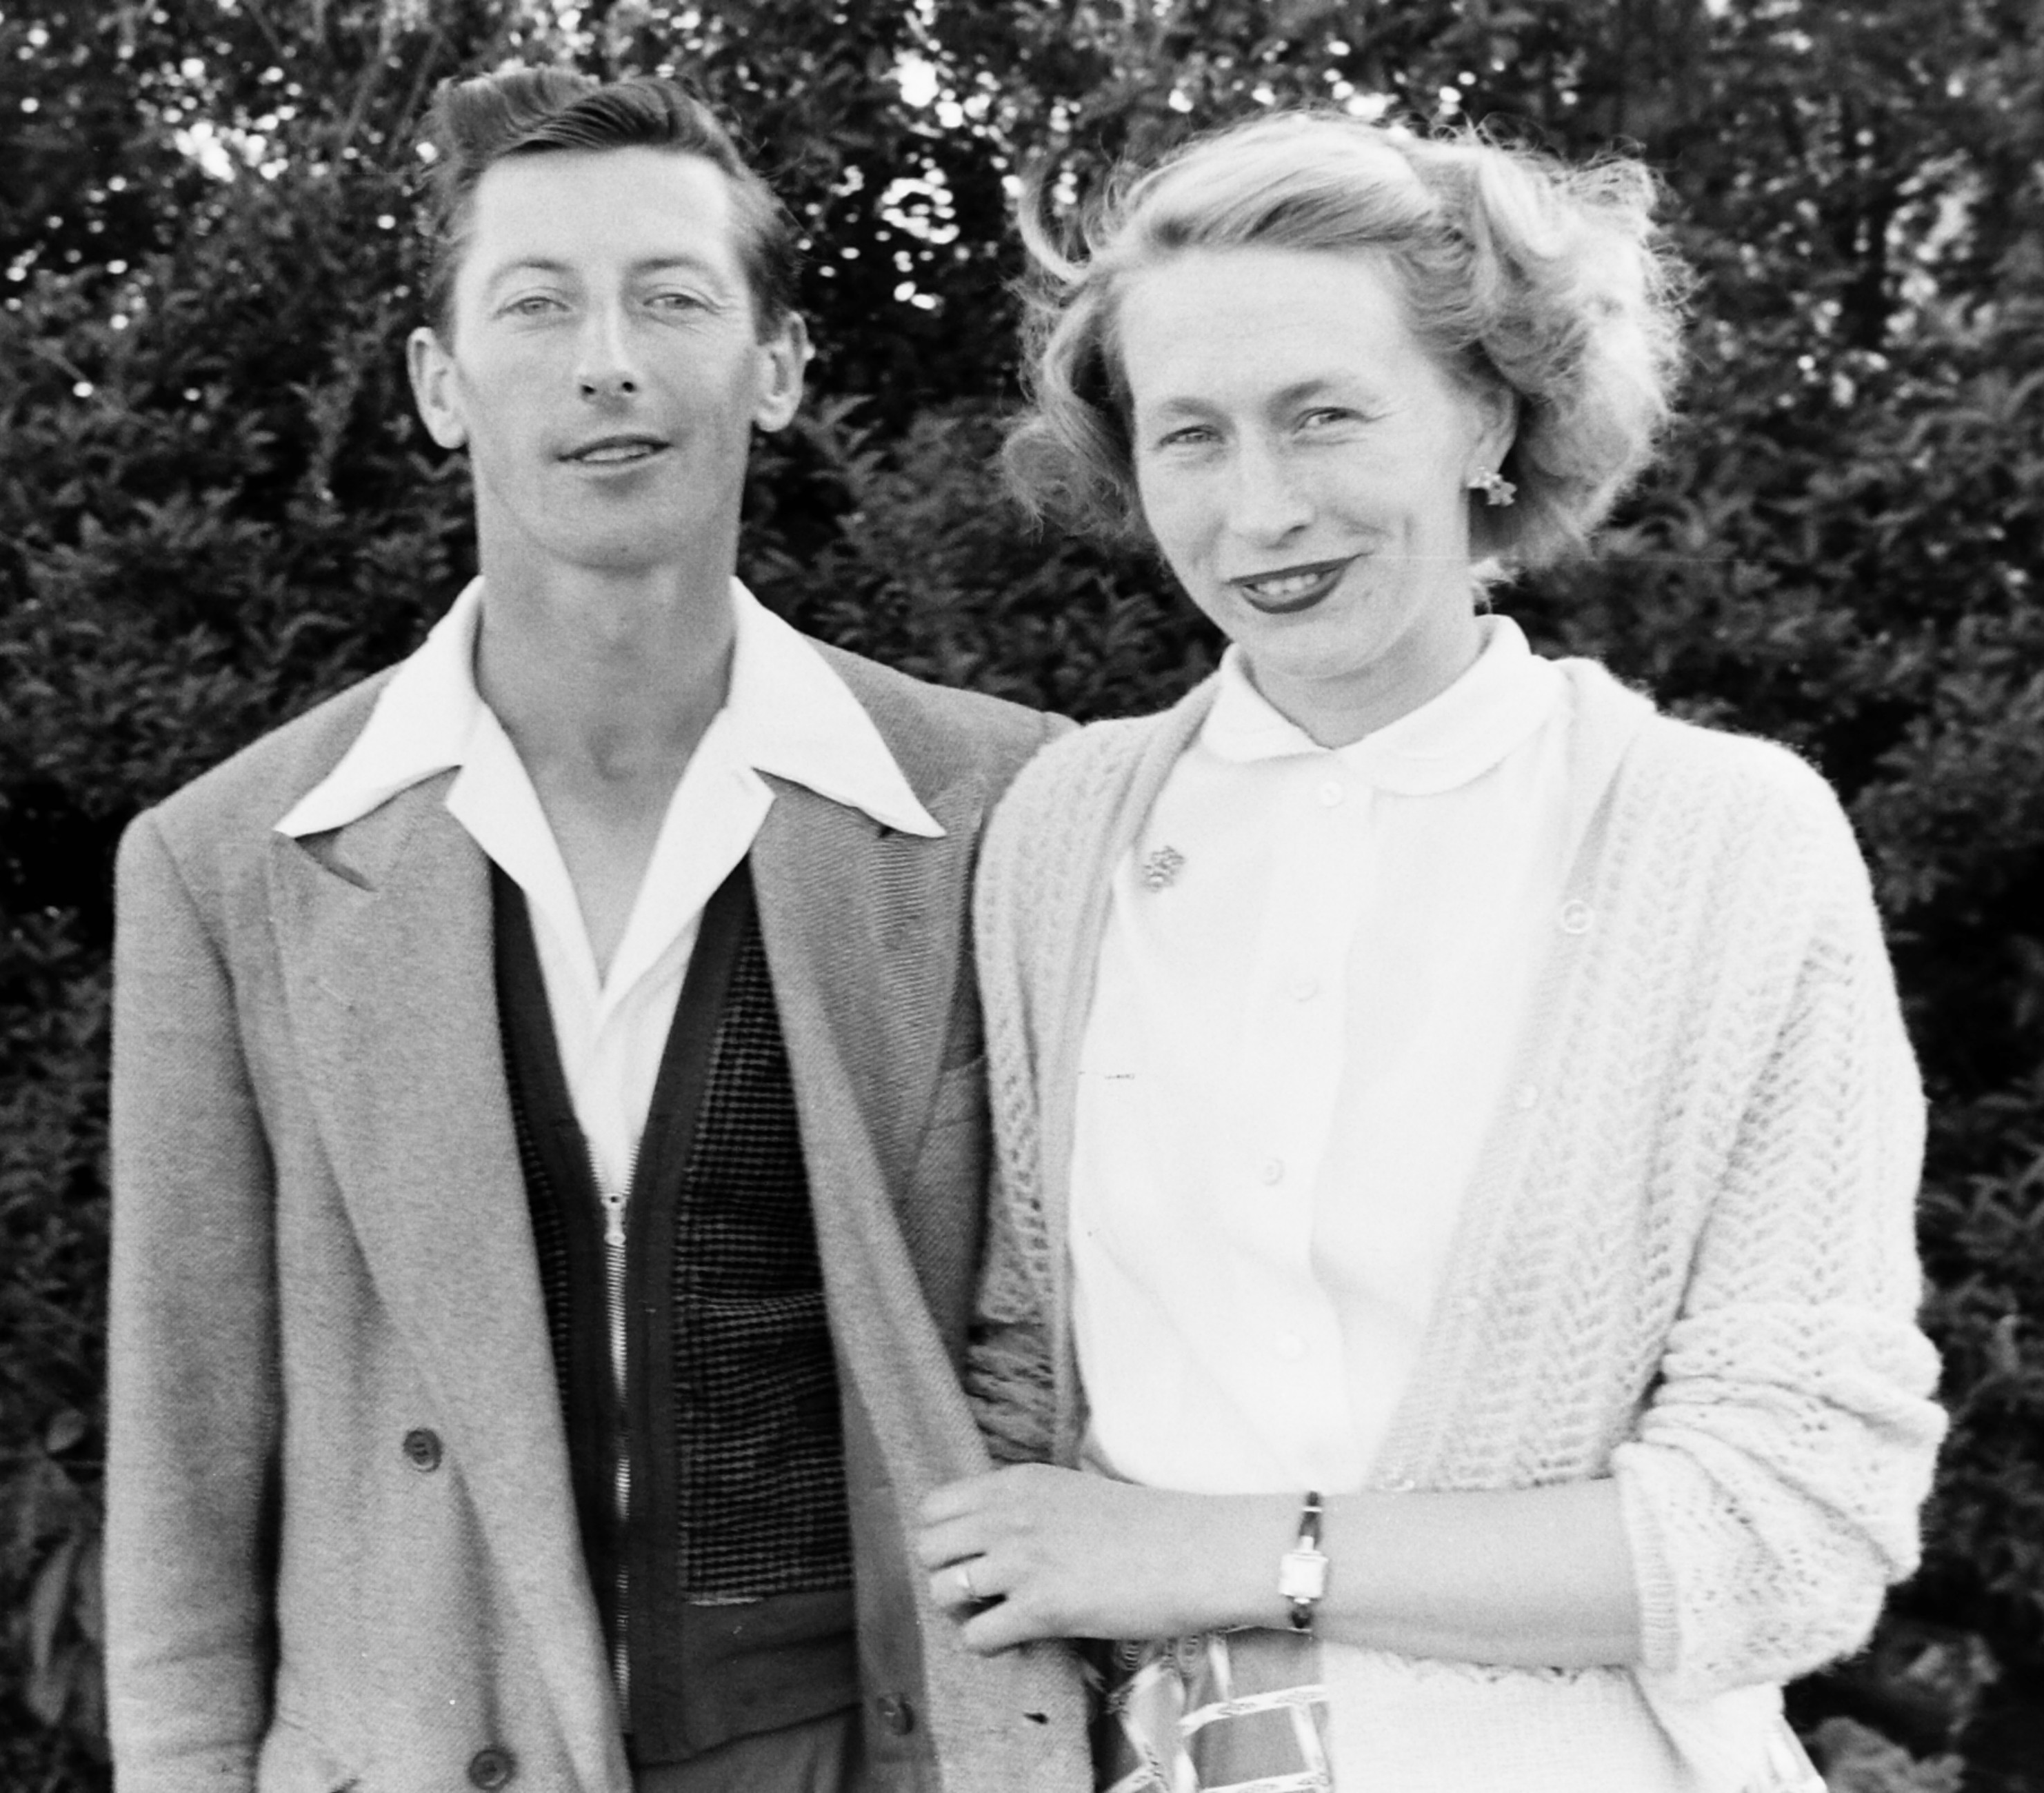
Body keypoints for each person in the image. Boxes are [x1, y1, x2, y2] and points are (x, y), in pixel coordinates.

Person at [912, 110, 1946, 1792]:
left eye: (1325, 413)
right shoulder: (1057, 834)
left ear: (1487, 413)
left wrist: (1225, 1552)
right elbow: (1017, 1399)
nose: (1261, 509)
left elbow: (1790, 1527)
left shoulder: (1726, 841)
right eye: (1191, 436)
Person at [104, 68, 1082, 1793]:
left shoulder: (1004, 804)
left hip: (880, 1749)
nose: (607, 360)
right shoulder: (228, 861)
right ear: (439, 384)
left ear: (777, 367)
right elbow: (183, 1448)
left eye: (673, 298)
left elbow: (1069, 1346)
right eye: (537, 304)